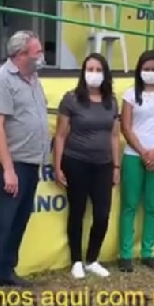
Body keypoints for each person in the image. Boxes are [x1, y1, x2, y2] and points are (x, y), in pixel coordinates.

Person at [0, 31, 48, 306]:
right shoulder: (1, 80)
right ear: (21, 55)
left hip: (32, 162)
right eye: (37, 52)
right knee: (1, 224)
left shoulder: (34, 79)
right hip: (13, 162)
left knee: (19, 221)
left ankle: (6, 270)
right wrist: (7, 169)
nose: (41, 56)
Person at [54, 53, 120, 279]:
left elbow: (114, 136)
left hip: (104, 165)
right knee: (77, 212)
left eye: (98, 70)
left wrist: (116, 166)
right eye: (90, 69)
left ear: (105, 74)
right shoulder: (71, 99)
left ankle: (92, 259)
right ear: (83, 73)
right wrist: (57, 166)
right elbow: (60, 135)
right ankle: (76, 261)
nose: (94, 74)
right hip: (76, 162)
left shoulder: (111, 102)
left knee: (102, 214)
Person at [118, 50, 154, 272]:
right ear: (139, 70)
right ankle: (125, 254)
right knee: (129, 205)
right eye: (146, 69)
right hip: (134, 156)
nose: (150, 73)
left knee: (152, 206)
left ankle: (147, 252)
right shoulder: (130, 94)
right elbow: (126, 127)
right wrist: (143, 152)